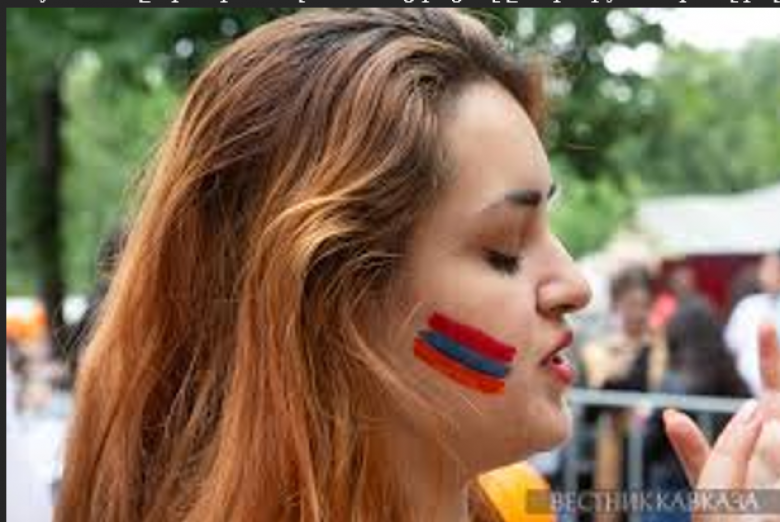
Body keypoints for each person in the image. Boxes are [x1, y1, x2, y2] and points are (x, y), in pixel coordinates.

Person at [54, 9, 779, 522]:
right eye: (504, 248)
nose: (575, 286)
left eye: (549, 229)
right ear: (327, 298)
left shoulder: (523, 505)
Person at [643, 298, 751, 522]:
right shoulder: (733, 379)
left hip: (673, 491)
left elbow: (650, 442)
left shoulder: (673, 383)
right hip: (725, 490)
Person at [725, 249, 780, 395]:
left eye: (773, 268)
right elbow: (732, 346)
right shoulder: (748, 306)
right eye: (765, 267)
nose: (766, 274)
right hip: (746, 393)